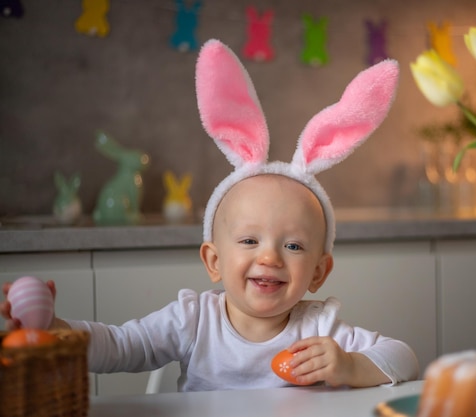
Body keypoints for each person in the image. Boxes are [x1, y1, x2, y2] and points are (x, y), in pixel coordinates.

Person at [1, 39, 419, 391]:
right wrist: (53, 327)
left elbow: (404, 358)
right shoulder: (192, 320)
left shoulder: (320, 329)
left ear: (318, 272)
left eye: (293, 245)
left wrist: (349, 366)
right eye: (249, 241)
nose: (270, 258)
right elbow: (119, 345)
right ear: (213, 260)